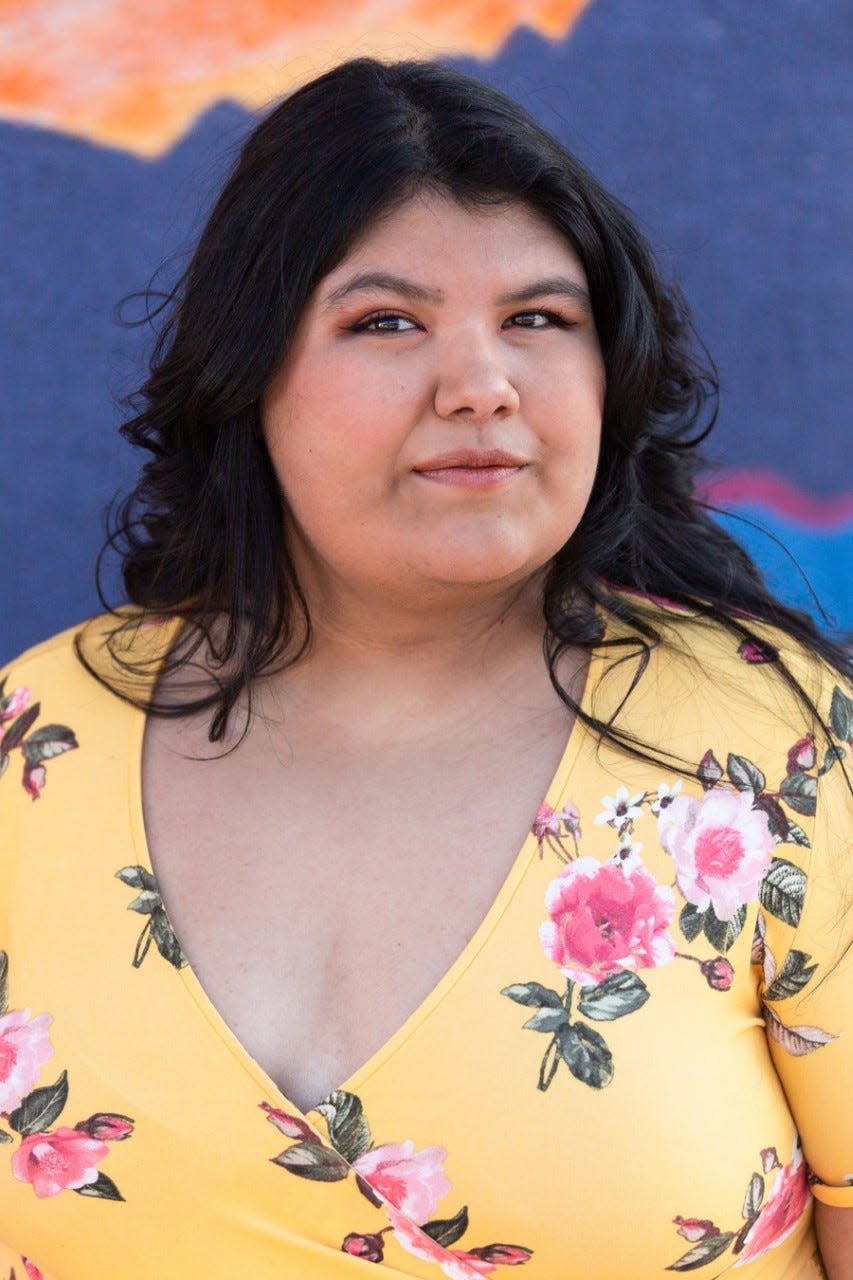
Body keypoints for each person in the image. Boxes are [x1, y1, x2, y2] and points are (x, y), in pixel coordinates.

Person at [0, 57, 850, 1280]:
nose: (481, 386)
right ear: (251, 373)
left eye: (538, 320)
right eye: (385, 322)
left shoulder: (773, 752)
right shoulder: (37, 740)